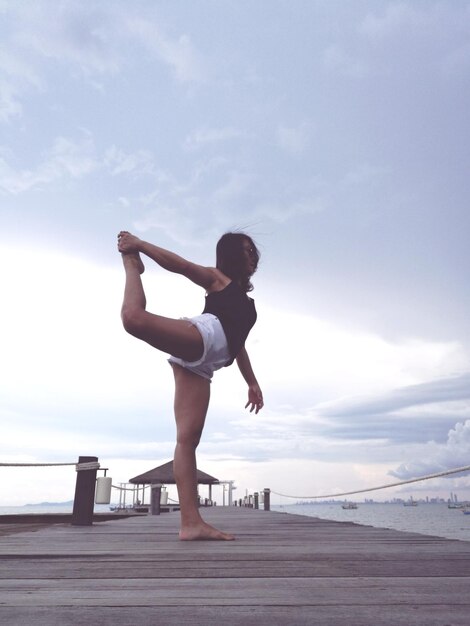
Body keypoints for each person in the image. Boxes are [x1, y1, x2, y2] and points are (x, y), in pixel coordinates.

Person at [117, 230, 264, 540]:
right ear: (231, 256)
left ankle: (191, 523)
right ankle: (132, 265)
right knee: (133, 319)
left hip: (207, 364)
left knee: (187, 440)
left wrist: (252, 382)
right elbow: (181, 265)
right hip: (203, 337)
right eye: (246, 250)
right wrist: (140, 245)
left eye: (253, 251)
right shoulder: (217, 279)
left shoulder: (247, 304)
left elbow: (239, 347)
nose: (252, 256)